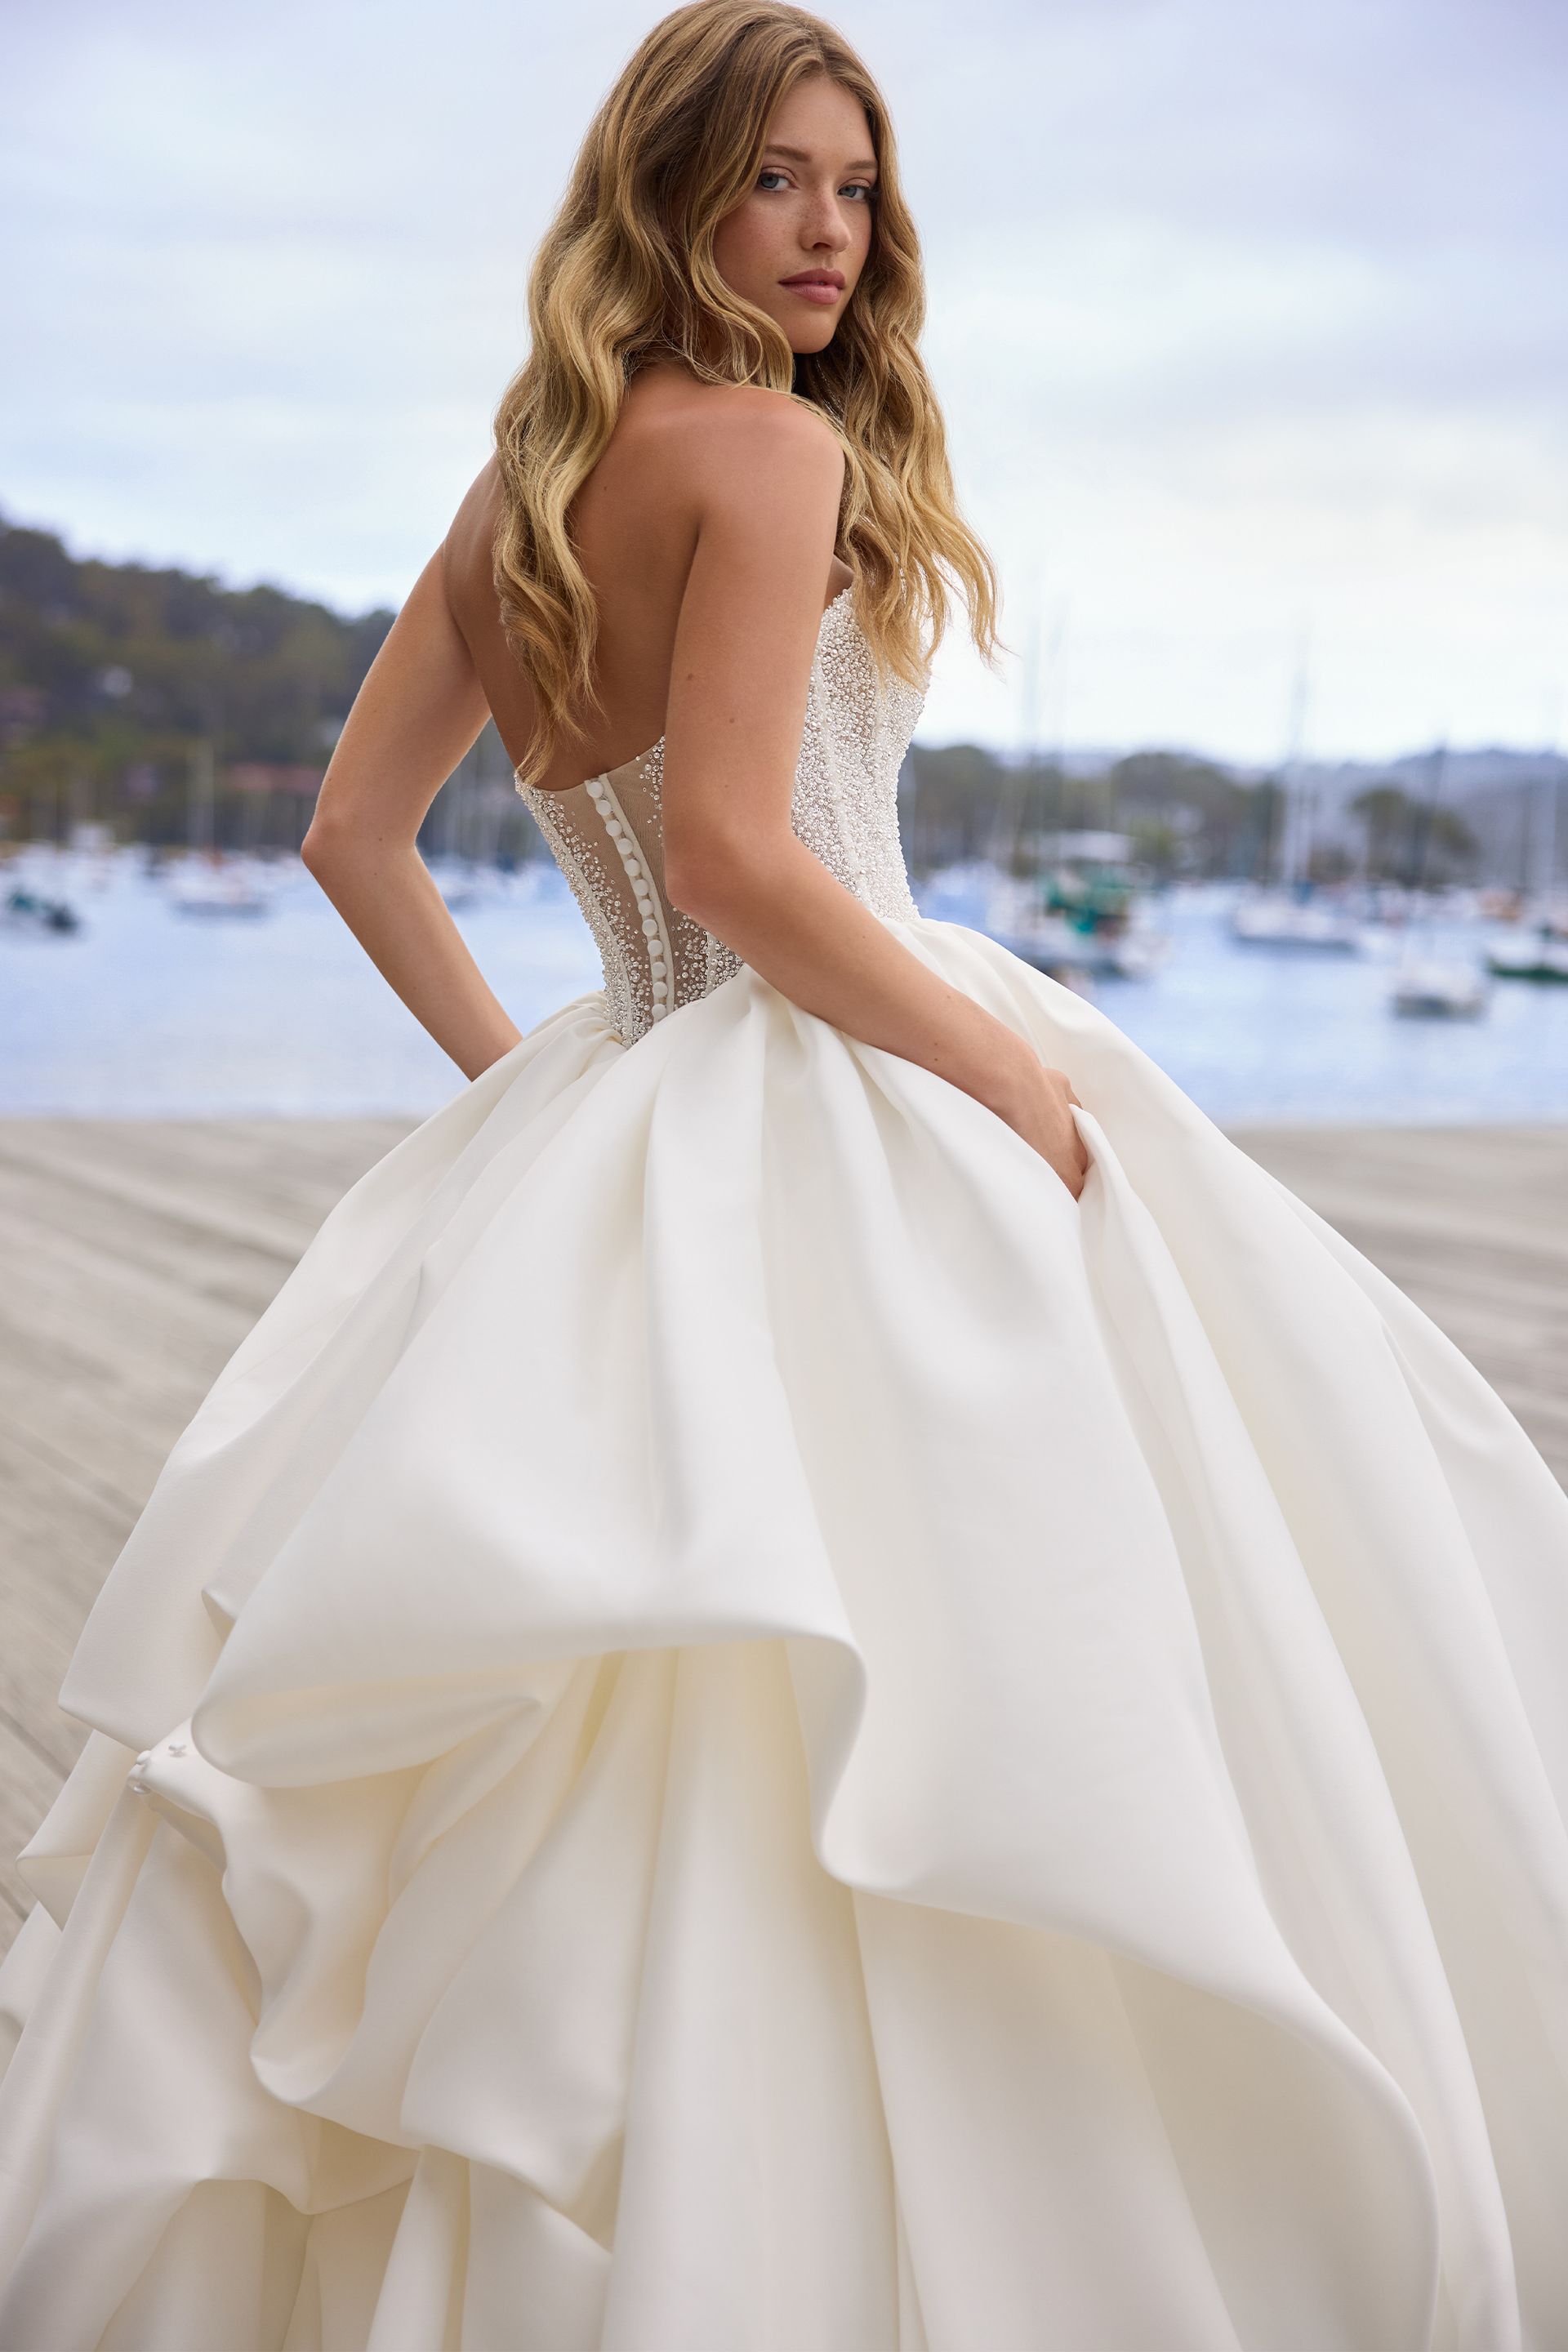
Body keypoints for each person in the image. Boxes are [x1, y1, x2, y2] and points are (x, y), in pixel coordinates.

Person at [2, 4, 1566, 2345]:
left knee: (671, 1694)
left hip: (629, 1085)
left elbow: (358, 837)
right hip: (840, 1070)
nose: (828, 232)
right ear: (670, 193)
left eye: (854, 185)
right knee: (989, 1654)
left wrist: (535, 1081)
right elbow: (740, 855)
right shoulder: (765, 457)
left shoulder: (524, 475)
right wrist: (1002, 1077)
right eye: (775, 182)